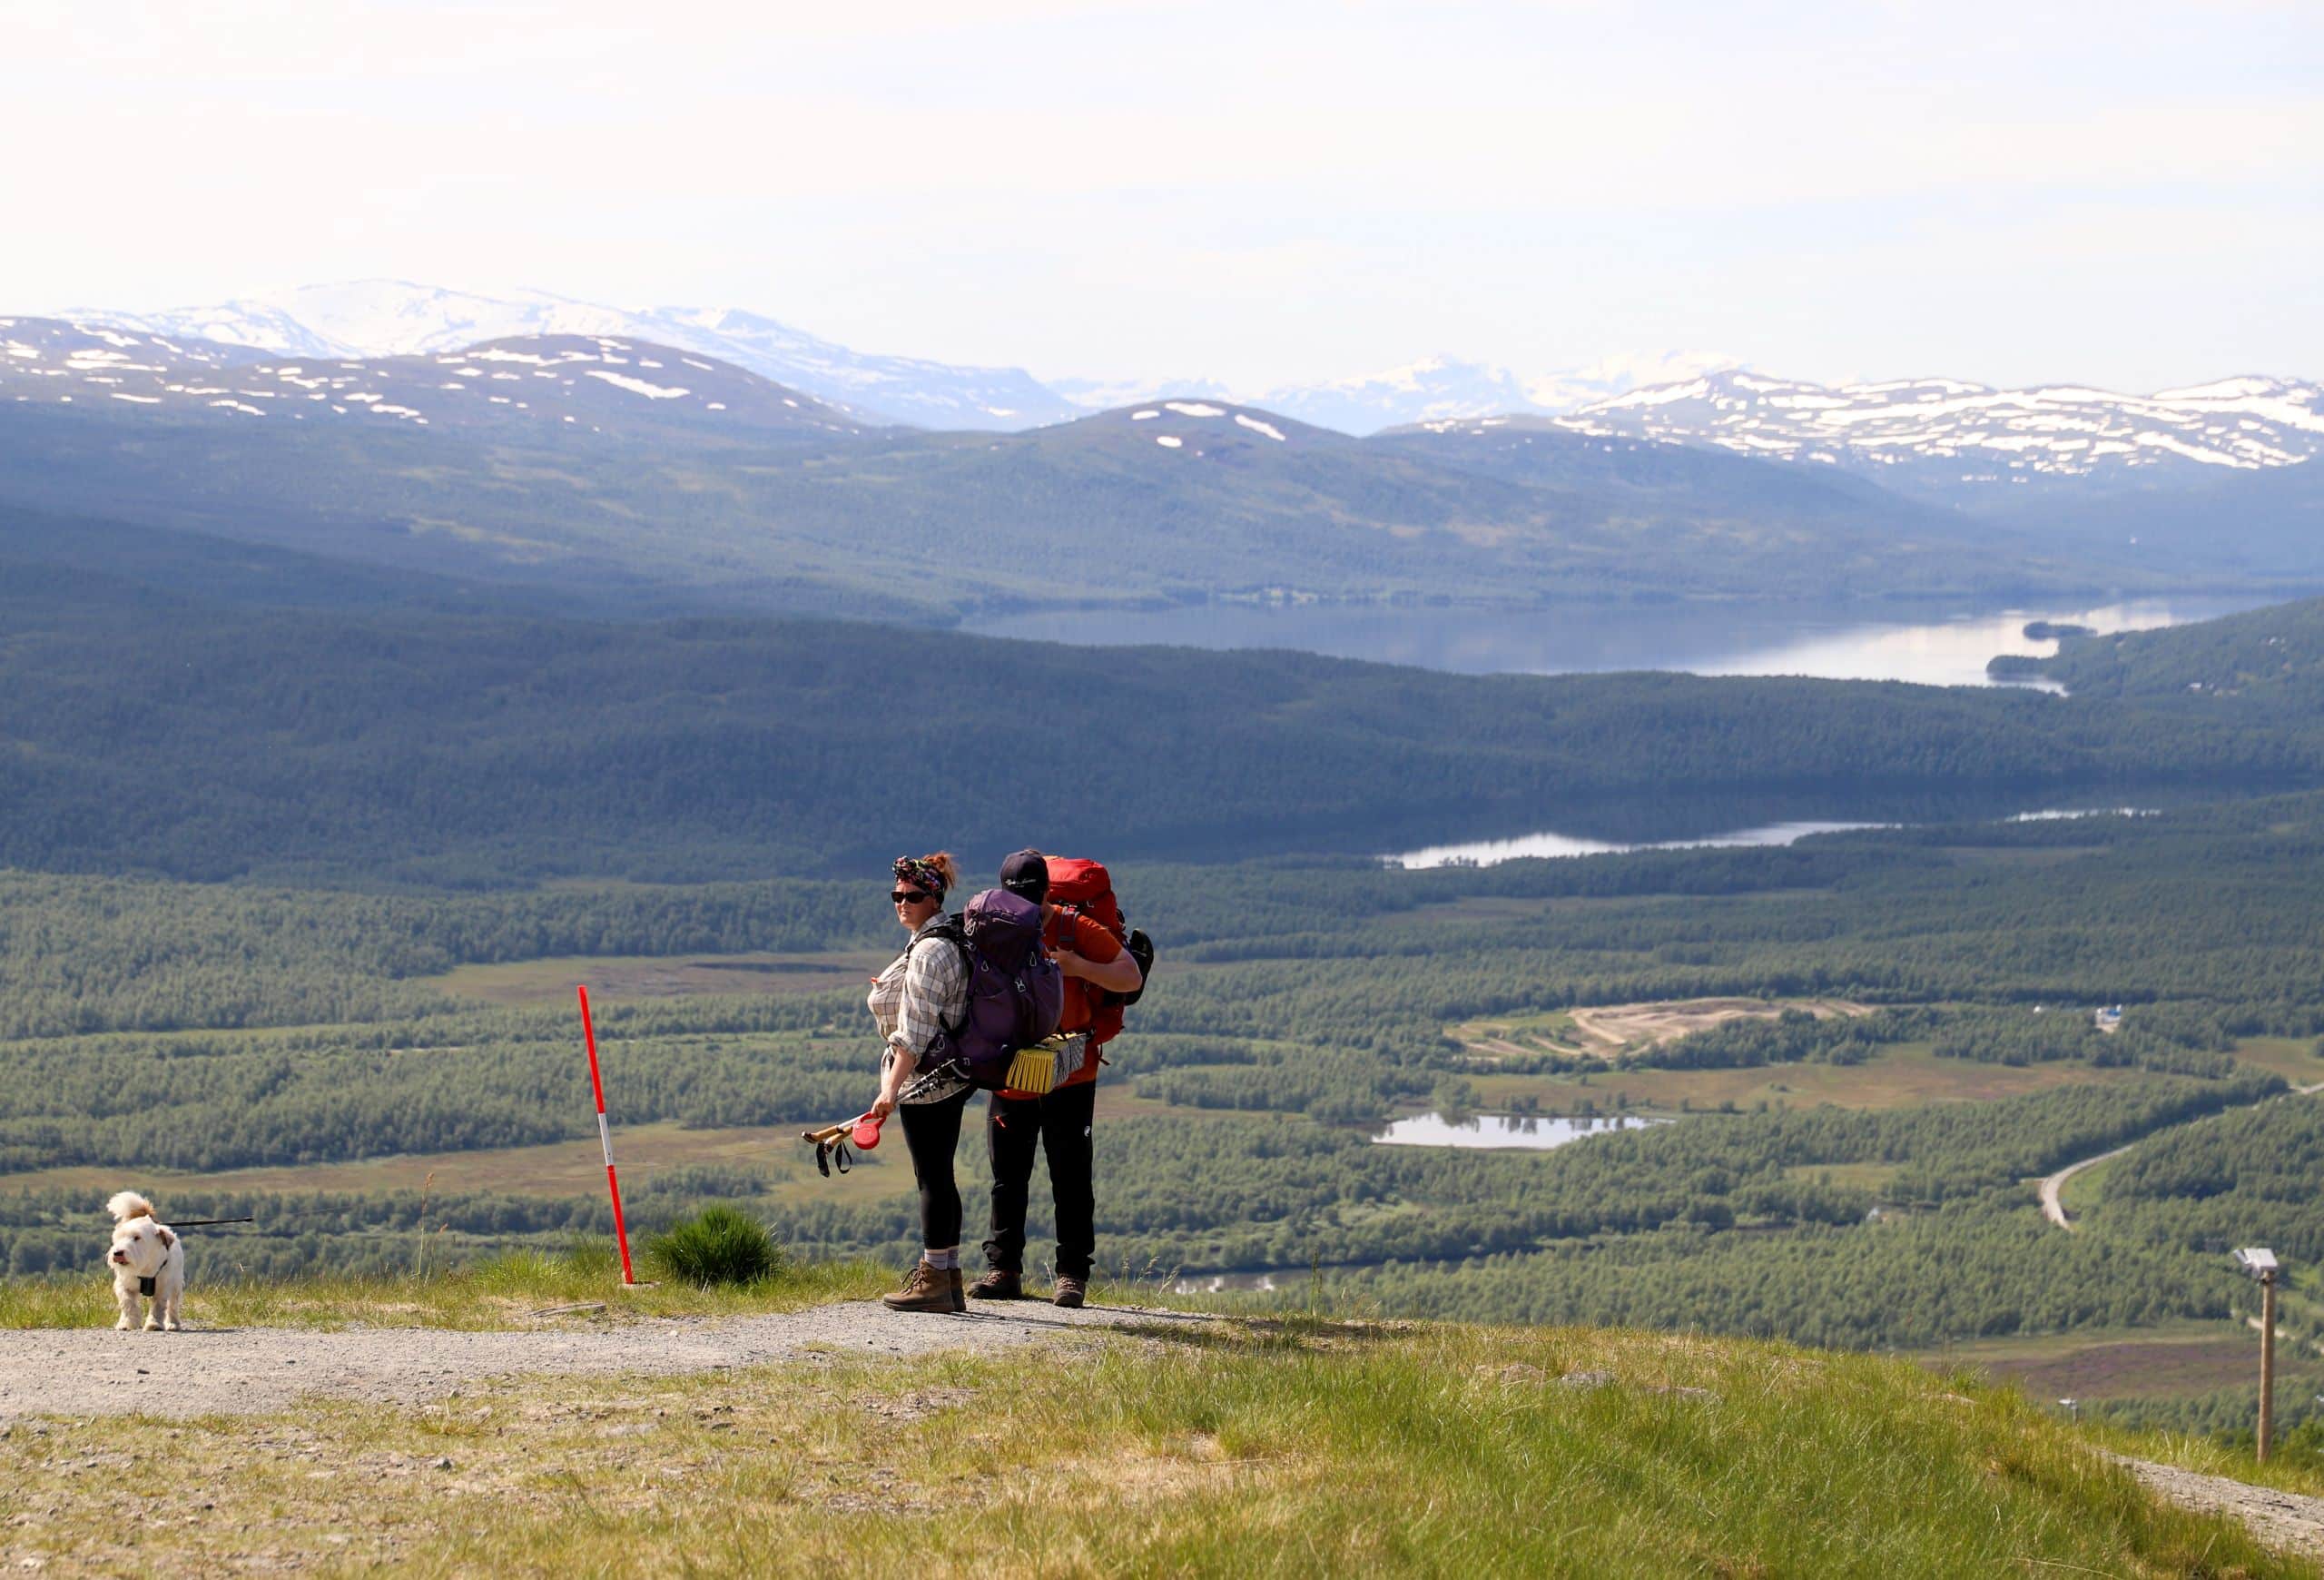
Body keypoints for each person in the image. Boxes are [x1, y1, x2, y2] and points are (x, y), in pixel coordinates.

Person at [971, 849, 1143, 1308]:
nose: (1024, 907)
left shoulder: (1074, 927)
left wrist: (1078, 966)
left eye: (1031, 898)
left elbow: (1130, 976)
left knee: (1070, 1177)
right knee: (1008, 1177)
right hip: (1011, 1071)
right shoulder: (991, 927)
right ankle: (1003, 1269)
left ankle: (1071, 1275)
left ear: (1047, 891)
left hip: (1070, 1071)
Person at [865, 851, 972, 1313]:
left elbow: (913, 1034)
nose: (902, 904)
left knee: (930, 1176)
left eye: (912, 896)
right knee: (941, 1173)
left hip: (925, 1079)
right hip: (951, 1074)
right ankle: (950, 1277)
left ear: (934, 898)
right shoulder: (945, 939)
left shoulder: (929, 952)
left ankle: (932, 1280)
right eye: (896, 895)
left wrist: (890, 1090)